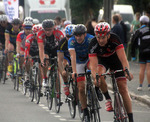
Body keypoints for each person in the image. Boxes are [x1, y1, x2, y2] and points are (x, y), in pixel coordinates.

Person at [88, 22, 134, 122]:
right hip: (103, 61)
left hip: (116, 60)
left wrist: (127, 71)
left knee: (123, 89)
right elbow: (93, 65)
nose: (100, 40)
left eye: (103, 37)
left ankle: (131, 118)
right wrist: (95, 78)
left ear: (108, 35)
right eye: (98, 37)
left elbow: (123, 58)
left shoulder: (115, 39)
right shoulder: (93, 44)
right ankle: (108, 98)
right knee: (99, 76)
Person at [68, 24, 94, 121]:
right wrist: (74, 71)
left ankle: (96, 89)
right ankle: (85, 111)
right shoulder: (71, 41)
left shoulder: (91, 39)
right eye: (76, 35)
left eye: (80, 35)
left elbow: (95, 55)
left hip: (89, 59)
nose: (78, 37)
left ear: (85, 34)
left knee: (95, 73)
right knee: (81, 88)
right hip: (78, 62)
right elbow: (73, 57)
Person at [37, 19, 64, 87]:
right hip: (46, 50)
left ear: (53, 28)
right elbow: (41, 49)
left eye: (49, 30)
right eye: (46, 30)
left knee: (58, 69)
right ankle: (45, 78)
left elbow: (63, 48)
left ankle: (57, 95)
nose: (47, 32)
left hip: (56, 50)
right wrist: (42, 60)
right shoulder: (40, 34)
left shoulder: (59, 33)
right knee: (45, 61)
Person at [131, 15, 150, 91]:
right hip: (149, 51)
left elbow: (133, 42)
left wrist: (133, 55)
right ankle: (149, 86)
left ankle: (140, 86)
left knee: (142, 69)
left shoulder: (138, 31)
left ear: (140, 23)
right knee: (149, 69)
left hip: (142, 51)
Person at [57, 24, 74, 96]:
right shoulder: (62, 42)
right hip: (66, 57)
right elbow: (60, 60)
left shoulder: (77, 41)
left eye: (72, 36)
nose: (70, 38)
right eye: (68, 37)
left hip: (75, 57)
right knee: (64, 65)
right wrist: (62, 70)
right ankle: (66, 84)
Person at [24, 24, 43, 89]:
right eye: (35, 35)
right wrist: (27, 58)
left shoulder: (43, 38)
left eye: (38, 34)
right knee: (27, 62)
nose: (37, 36)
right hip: (31, 52)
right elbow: (27, 49)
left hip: (39, 52)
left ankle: (40, 85)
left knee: (40, 68)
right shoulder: (29, 37)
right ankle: (28, 76)